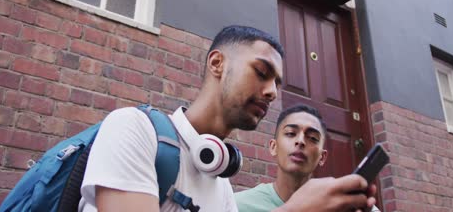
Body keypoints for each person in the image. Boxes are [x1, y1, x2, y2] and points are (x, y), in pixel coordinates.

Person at [78, 25, 376, 212]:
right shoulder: (132, 127)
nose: (272, 92)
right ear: (217, 64)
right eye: (262, 73)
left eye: (277, 83)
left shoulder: (222, 192)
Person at [235, 104, 380, 212]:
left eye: (312, 138)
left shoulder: (346, 205)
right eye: (291, 133)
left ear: (322, 157)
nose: (301, 141)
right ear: (274, 147)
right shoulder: (237, 205)